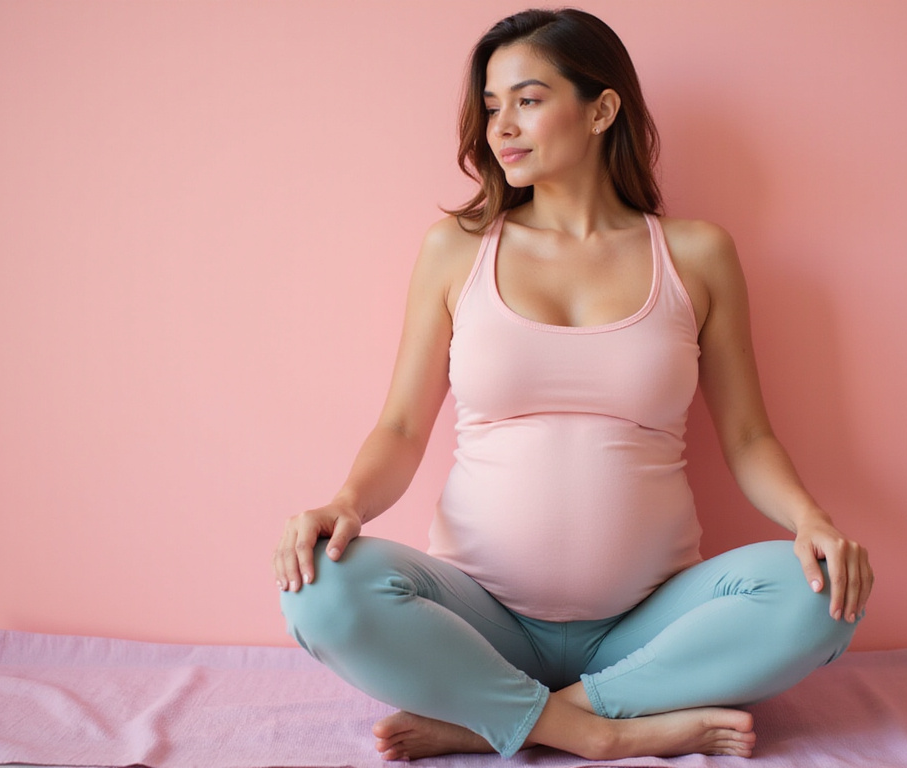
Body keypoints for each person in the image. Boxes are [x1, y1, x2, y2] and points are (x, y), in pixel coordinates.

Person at [273, 8, 872, 762]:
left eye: (527, 99)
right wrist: (344, 506)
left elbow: (748, 436)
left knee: (822, 590)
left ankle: (501, 718)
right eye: (491, 107)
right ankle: (591, 730)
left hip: (650, 625)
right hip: (480, 620)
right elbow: (400, 428)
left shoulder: (696, 253)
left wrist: (812, 521)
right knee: (320, 586)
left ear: (602, 108)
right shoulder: (457, 251)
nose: (501, 127)